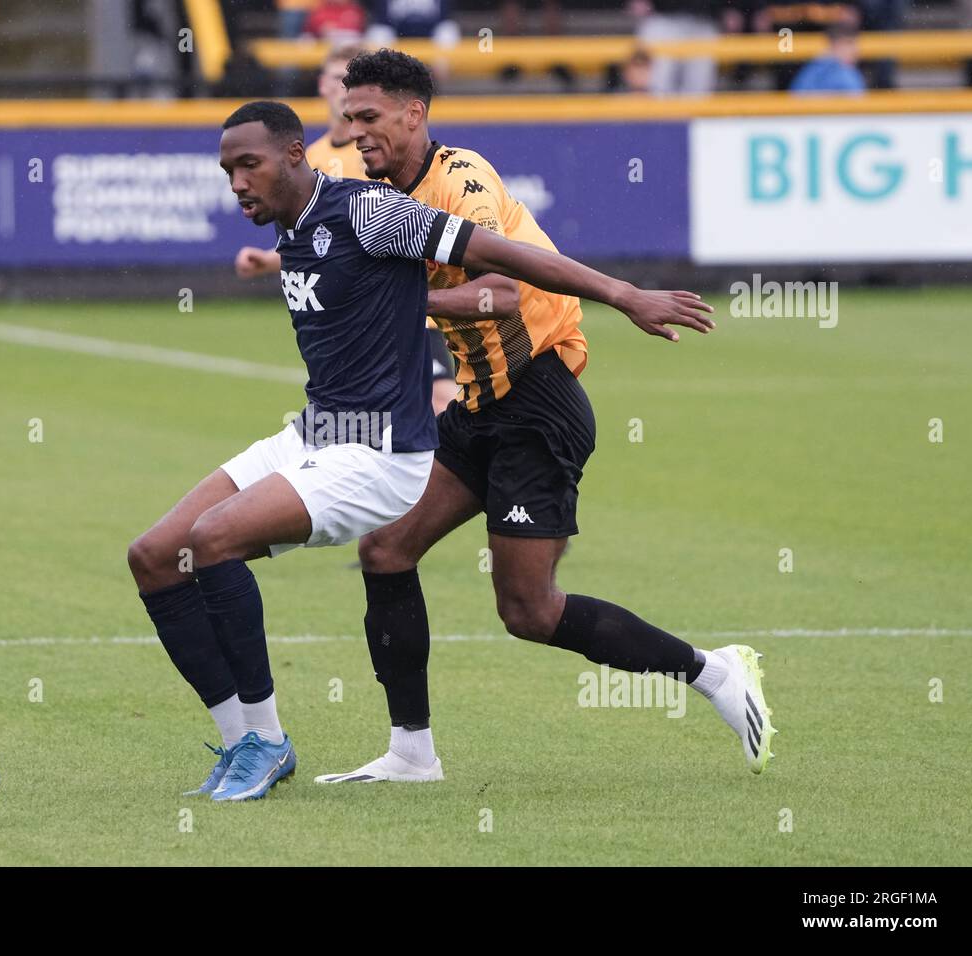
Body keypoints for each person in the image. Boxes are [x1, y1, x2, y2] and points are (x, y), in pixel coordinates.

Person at [128, 99, 717, 801]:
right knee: (157, 555)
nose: (236, 183)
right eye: (227, 171)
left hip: (379, 452)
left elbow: (504, 261)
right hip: (318, 431)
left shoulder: (369, 211)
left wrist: (624, 294)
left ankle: (269, 742)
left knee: (213, 540)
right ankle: (239, 744)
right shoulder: (294, 227)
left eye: (248, 165)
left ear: (295, 153)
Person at [309, 50, 776, 786]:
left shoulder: (461, 179)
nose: (355, 132)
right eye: (349, 118)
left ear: (413, 114)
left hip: (538, 401)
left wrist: (624, 297)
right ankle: (411, 754)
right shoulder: (377, 192)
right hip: (478, 404)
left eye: (369, 118)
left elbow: (497, 291)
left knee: (527, 610)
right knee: (386, 551)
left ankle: (713, 671)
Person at [234, 45, 458, 415]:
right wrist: (268, 260)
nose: (343, 89)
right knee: (362, 422)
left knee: (440, 400)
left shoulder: (381, 152)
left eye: (349, 81)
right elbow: (318, 246)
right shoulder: (308, 162)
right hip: (348, 319)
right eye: (337, 79)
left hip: (405, 310)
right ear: (322, 86)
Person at [790, 24, 866, 95]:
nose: (855, 50)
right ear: (835, 45)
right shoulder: (819, 69)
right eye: (849, 43)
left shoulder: (816, 67)